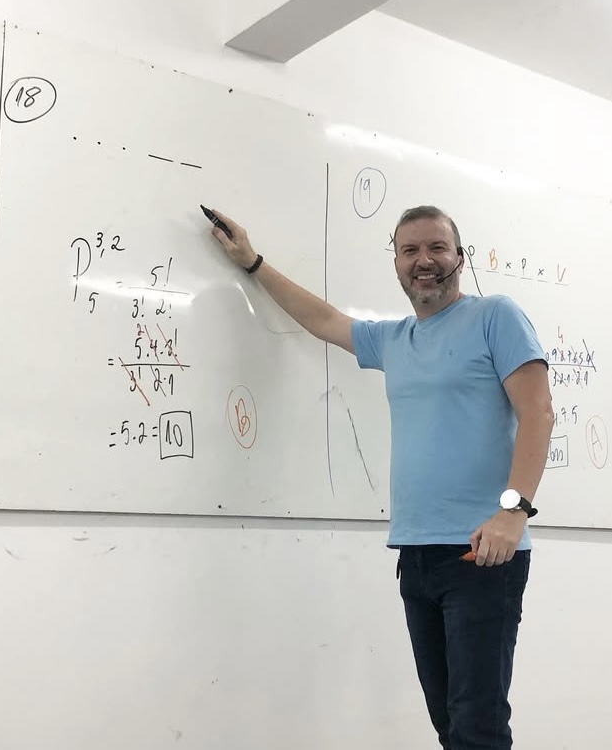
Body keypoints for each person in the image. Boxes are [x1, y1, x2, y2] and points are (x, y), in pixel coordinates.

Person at [209, 204, 554, 750]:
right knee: (449, 726)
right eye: (409, 250)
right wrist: (253, 263)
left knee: (478, 729)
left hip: (482, 554)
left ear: (460, 257)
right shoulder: (395, 339)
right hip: (415, 554)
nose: (424, 260)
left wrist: (514, 511)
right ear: (396, 264)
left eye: (437, 247)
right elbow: (324, 320)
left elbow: (538, 412)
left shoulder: (496, 316)